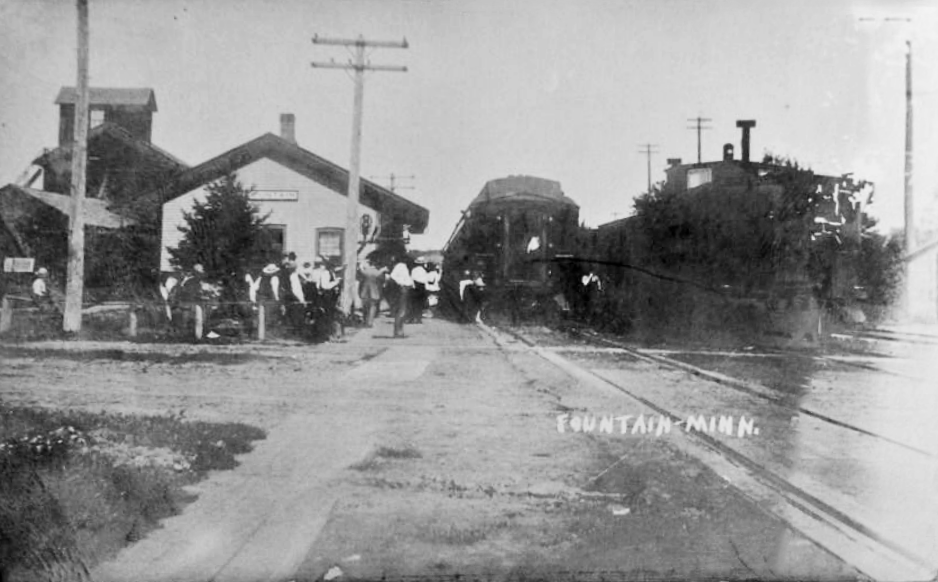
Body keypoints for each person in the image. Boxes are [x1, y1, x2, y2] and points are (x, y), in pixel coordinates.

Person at [387, 255, 414, 338]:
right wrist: (401, 284)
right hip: (403, 290)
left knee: (403, 311)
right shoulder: (401, 266)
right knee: (401, 311)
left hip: (404, 289)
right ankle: (398, 332)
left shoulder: (402, 266)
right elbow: (393, 276)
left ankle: (400, 331)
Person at [358, 258, 386, 328]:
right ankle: (370, 323)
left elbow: (360, 275)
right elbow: (382, 280)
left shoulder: (365, 271)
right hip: (374, 292)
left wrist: (361, 265)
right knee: (373, 307)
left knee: (365, 308)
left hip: (365, 292)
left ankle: (365, 321)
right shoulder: (377, 272)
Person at [409, 257, 429, 323]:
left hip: (415, 286)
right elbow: (426, 281)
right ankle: (418, 319)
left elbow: (412, 279)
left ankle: (412, 318)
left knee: (413, 303)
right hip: (422, 287)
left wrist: (413, 287)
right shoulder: (424, 271)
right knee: (420, 304)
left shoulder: (414, 270)